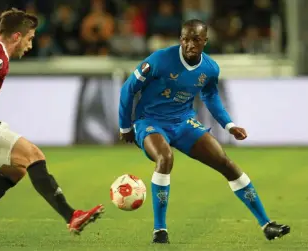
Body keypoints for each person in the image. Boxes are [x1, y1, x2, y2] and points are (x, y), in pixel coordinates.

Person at [0, 8, 104, 247]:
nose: (30, 45)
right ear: (17, 36)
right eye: (29, 39)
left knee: (15, 171)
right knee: (34, 156)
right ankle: (72, 216)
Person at [118, 19, 290, 244]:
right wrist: (125, 126)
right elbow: (128, 88)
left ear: (205, 41)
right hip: (150, 122)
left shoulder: (209, 68)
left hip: (183, 122)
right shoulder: (160, 59)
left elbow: (210, 96)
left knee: (225, 163)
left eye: (195, 40)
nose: (189, 44)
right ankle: (160, 230)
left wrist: (229, 125)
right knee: (165, 158)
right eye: (185, 39)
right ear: (181, 39)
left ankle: (267, 224)